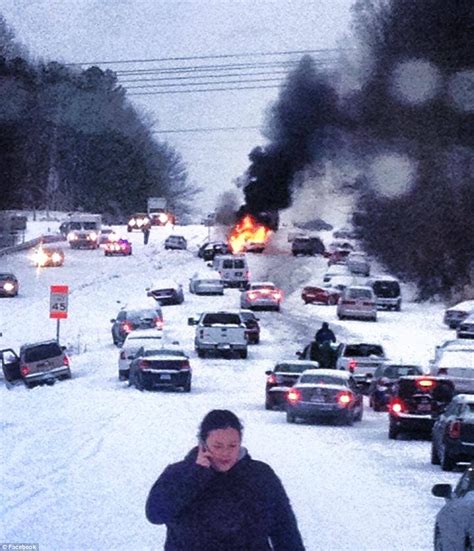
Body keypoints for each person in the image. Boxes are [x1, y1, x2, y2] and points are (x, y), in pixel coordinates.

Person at [146, 409, 305, 550]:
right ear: (203, 444)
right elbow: (155, 514)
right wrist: (197, 474)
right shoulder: (178, 473)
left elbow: (284, 528)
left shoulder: (261, 474)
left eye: (232, 445)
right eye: (218, 446)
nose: (225, 453)